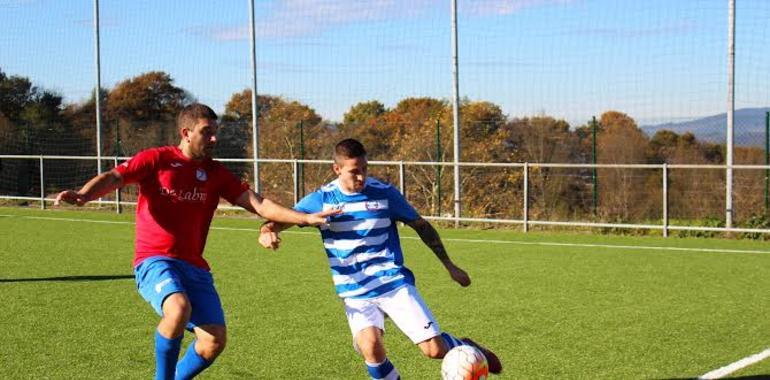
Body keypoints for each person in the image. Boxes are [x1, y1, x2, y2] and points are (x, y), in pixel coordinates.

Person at [54, 103, 338, 380]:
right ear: (186, 133)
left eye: (215, 131)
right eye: (206, 131)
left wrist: (305, 218)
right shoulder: (157, 159)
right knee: (178, 308)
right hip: (155, 260)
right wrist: (84, 195)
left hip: (194, 267)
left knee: (213, 341)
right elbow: (115, 176)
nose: (214, 138)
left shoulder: (216, 174)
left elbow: (260, 205)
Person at [258, 138, 502, 379]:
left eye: (365, 169)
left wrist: (450, 265)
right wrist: (267, 232)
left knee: (434, 350)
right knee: (371, 348)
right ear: (337, 169)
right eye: (355, 172)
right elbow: (280, 220)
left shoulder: (385, 194)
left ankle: (466, 346)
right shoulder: (321, 199)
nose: (362, 177)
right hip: (353, 291)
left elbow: (421, 226)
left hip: (392, 283)